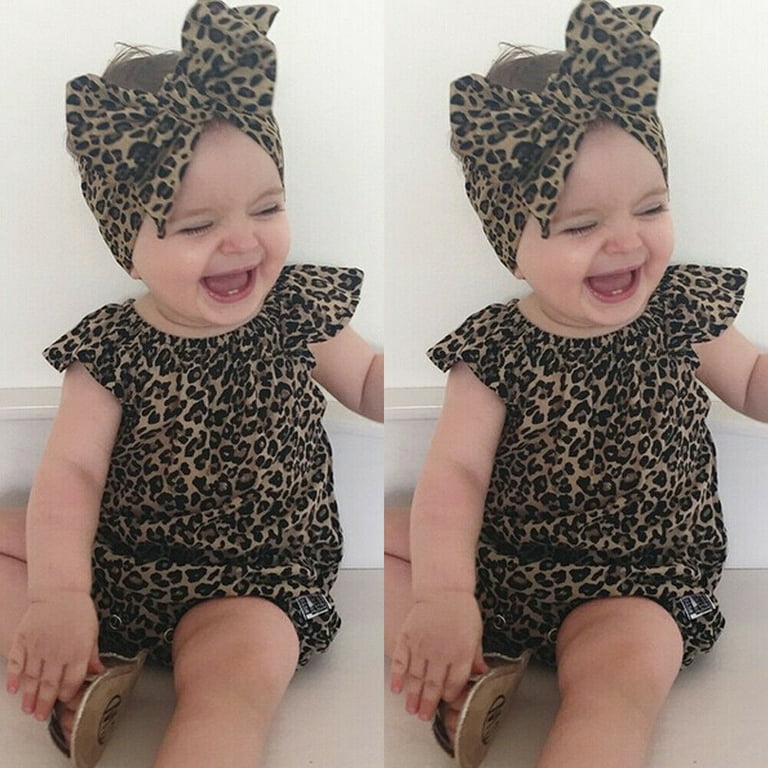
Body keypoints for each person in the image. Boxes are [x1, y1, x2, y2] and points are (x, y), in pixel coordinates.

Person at [0, 3, 383, 767]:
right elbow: (72, 474)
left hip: (258, 584)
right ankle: (77, 672)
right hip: (119, 570)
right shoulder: (110, 347)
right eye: (197, 224)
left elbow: (372, 380)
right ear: (129, 241)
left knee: (233, 684)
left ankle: (188, 725)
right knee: (25, 551)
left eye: (267, 207)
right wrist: (59, 597)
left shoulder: (297, 309)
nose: (242, 239)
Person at [386, 2, 767, 767]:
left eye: (651, 207)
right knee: (392, 534)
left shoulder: (681, 309)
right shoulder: (494, 346)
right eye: (581, 224)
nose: (626, 239)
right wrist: (445, 595)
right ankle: (460, 675)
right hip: (506, 571)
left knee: (617, 684)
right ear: (512, 239)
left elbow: (755, 380)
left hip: (642, 583)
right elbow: (457, 473)